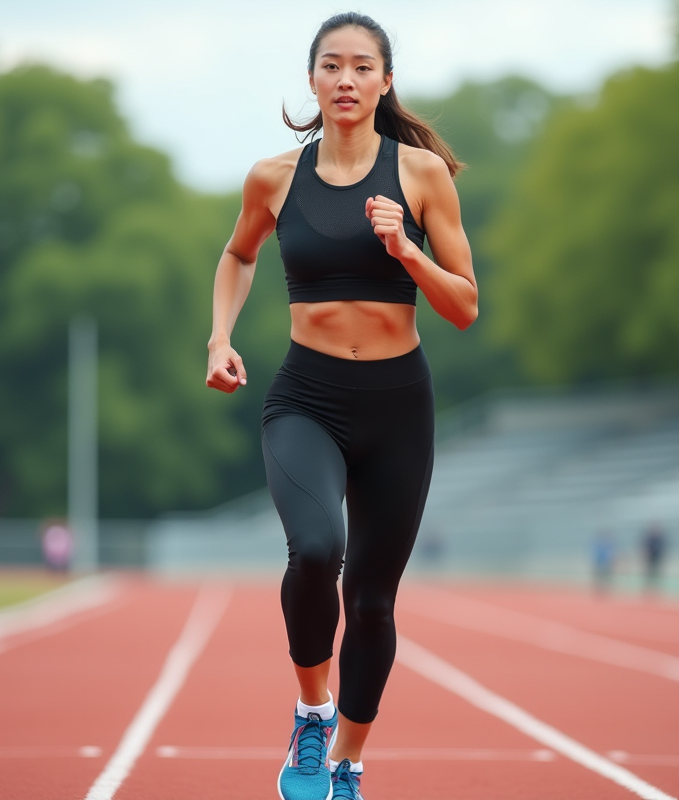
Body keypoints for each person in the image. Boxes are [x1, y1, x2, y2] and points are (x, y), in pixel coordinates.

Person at [205, 12, 477, 800]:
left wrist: (406, 250)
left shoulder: (421, 175)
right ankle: (312, 712)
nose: (347, 79)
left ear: (386, 81)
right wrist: (219, 337)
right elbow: (237, 254)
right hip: (308, 397)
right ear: (314, 80)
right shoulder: (273, 178)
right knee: (317, 549)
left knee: (372, 598)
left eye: (363, 67)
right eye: (332, 66)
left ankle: (349, 766)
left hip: (398, 404)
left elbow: (464, 306)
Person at [641, 522, 667, 594]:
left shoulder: (660, 538)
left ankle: (657, 588)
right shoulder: (649, 538)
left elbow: (663, 548)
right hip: (650, 558)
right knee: (649, 573)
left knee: (657, 573)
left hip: (657, 558)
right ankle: (648, 588)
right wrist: (645, 555)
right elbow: (645, 548)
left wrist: (662, 556)